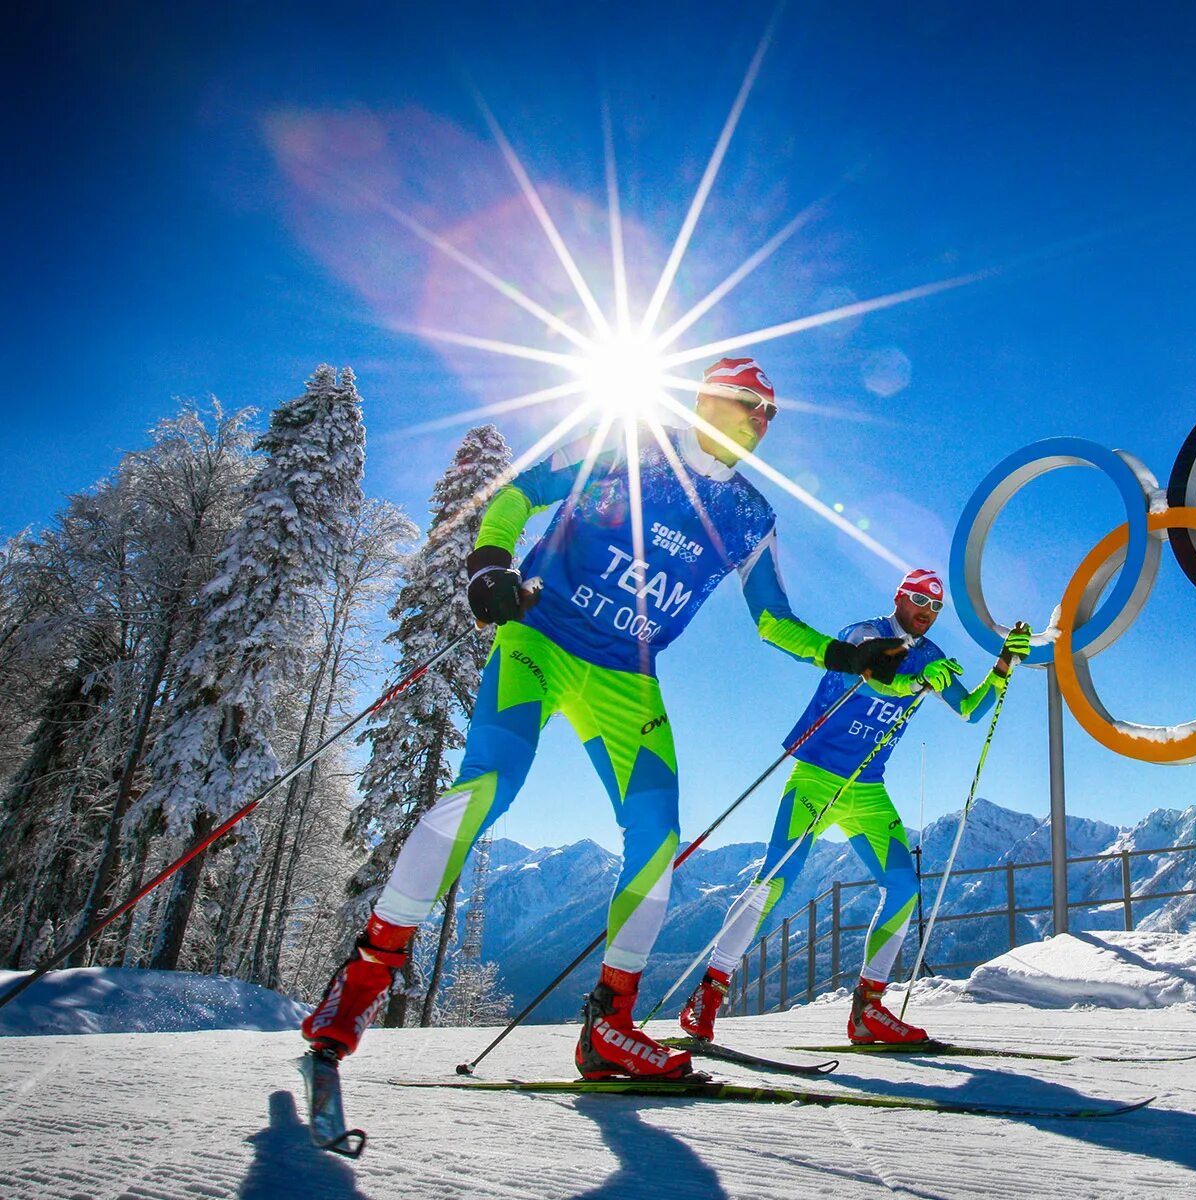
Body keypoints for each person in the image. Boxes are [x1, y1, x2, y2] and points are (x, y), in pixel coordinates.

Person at [303, 357, 909, 1080]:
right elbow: (518, 493)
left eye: (770, 414)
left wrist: (847, 655)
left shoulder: (751, 516)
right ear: (708, 401)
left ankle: (610, 1028)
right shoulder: (627, 446)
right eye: (749, 405)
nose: (761, 423)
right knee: (489, 786)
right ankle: (361, 983)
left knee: (658, 836)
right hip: (542, 639)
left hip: (629, 678)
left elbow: (773, 620)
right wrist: (490, 563)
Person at [679, 569, 1029, 1045]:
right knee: (775, 880)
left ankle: (868, 1010)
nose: (926, 615)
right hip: (816, 777)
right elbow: (867, 682)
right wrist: (912, 684)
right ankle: (708, 993)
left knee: (903, 886)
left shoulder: (932, 657)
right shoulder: (865, 635)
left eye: (934, 610)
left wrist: (1004, 664)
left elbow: (970, 711)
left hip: (866, 786)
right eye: (918, 604)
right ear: (899, 599)